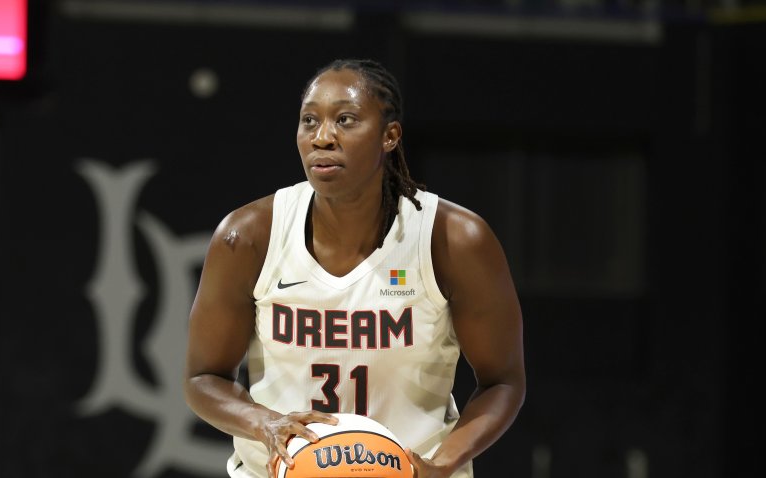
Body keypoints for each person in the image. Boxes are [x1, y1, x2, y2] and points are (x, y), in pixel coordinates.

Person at [184, 59, 525, 478]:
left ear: (390, 136)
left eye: (345, 120)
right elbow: (202, 378)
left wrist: (441, 465)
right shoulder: (248, 236)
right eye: (309, 121)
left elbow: (503, 382)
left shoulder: (454, 239)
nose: (322, 137)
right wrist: (265, 423)